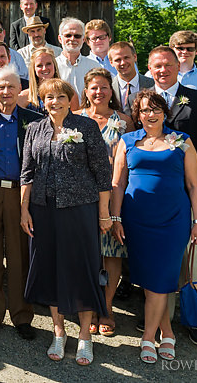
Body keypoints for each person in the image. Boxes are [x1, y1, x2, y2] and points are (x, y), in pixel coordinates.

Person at [19, 78, 111, 366]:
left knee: (82, 269)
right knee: (50, 270)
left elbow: (102, 173)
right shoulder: (34, 129)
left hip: (80, 209)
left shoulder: (86, 127)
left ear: (70, 99)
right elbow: (27, 173)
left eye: (60, 97)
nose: (55, 102)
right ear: (42, 101)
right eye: (49, 98)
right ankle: (58, 331)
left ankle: (85, 335)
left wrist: (104, 212)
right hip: (43, 210)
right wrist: (24, 210)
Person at [110, 91, 197, 363]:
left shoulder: (182, 142)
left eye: (155, 110)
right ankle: (168, 332)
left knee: (161, 280)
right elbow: (117, 184)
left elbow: (194, 185)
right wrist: (115, 218)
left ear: (165, 112)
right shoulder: (127, 141)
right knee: (152, 282)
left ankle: (148, 338)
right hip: (137, 221)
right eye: (143, 111)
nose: (149, 115)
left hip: (173, 221)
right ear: (137, 115)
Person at [146, 45, 197, 347]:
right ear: (149, 69)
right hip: (152, 196)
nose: (162, 71)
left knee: (189, 256)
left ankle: (194, 317)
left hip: (186, 192)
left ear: (179, 66)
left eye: (167, 65)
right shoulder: (143, 101)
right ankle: (157, 314)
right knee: (157, 258)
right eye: (156, 66)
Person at [0, 66, 42, 341]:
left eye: (11, 87)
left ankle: (22, 315)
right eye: (1, 86)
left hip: (20, 195)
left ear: (20, 90)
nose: (6, 92)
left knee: (19, 256)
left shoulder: (33, 120)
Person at [75, 68, 133, 337]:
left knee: (111, 252)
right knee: (84, 252)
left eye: (104, 87)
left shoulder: (124, 121)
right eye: (93, 87)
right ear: (86, 91)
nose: (99, 92)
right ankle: (86, 305)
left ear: (112, 91)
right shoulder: (73, 119)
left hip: (111, 195)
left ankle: (106, 308)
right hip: (79, 196)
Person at [56, 18, 95, 106]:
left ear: (84, 39)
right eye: (68, 35)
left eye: (77, 36)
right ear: (60, 38)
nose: (72, 39)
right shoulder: (52, 66)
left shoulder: (94, 66)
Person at [108, 41, 153, 115]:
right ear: (111, 63)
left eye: (126, 57)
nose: (123, 63)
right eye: (118, 60)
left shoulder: (152, 84)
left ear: (135, 57)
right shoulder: (108, 87)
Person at [20, 47, 60, 113]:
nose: (44, 68)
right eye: (39, 65)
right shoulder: (25, 96)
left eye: (48, 64)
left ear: (54, 65)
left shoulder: (66, 92)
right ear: (34, 69)